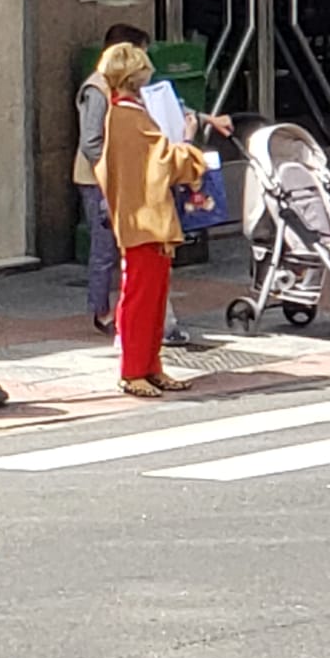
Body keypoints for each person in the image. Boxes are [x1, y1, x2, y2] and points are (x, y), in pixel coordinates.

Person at [76, 22, 230, 345]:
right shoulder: (100, 91)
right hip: (101, 180)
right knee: (107, 249)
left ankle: (147, 328)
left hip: (134, 183)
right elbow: (92, 142)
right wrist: (111, 176)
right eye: (140, 52)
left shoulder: (131, 94)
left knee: (136, 263)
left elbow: (169, 110)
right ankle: (104, 312)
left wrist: (205, 120)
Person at [93, 43, 212, 399]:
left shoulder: (123, 113)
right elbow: (165, 161)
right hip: (144, 219)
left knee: (153, 297)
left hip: (143, 217)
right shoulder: (128, 115)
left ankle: (150, 365)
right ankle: (133, 371)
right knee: (141, 297)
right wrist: (189, 143)